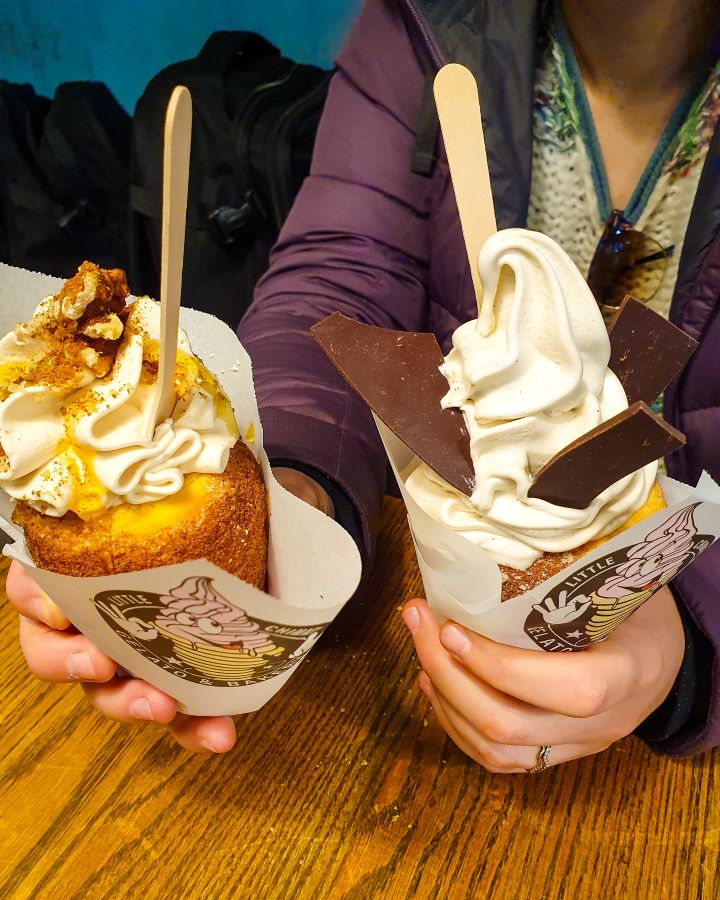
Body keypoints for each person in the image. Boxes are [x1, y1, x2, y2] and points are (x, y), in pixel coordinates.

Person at [8, 0, 720, 769]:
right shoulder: (417, 25)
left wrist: (691, 639)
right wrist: (290, 503)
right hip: (391, 675)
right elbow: (337, 278)